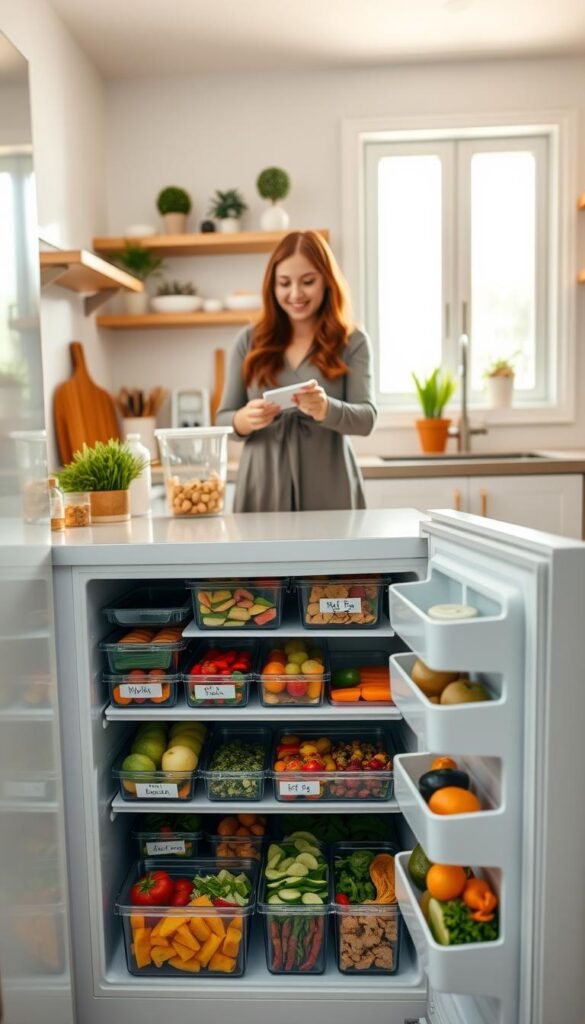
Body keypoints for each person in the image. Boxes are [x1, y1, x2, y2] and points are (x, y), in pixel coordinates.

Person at [215, 230, 377, 512]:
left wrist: (327, 408)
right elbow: (223, 421)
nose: (295, 294)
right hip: (262, 488)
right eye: (284, 283)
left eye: (308, 281)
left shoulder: (353, 342)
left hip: (330, 489)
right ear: (272, 286)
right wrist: (245, 418)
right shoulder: (249, 340)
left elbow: (366, 419)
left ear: (327, 281)